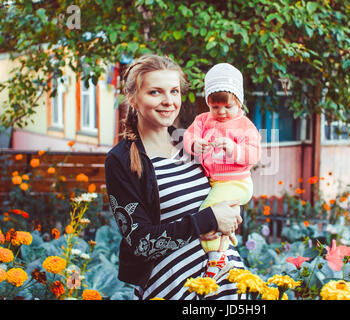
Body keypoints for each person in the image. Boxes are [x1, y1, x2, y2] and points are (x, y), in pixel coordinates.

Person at [104, 55, 245, 300]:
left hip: (227, 283)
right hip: (172, 287)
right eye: (155, 92)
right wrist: (209, 219)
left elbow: (225, 185)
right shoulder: (122, 160)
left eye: (174, 91)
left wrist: (230, 212)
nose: (168, 101)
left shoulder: (191, 143)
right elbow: (141, 243)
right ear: (133, 98)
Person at [183, 63, 261, 280]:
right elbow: (188, 136)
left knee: (209, 212)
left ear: (239, 101)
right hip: (214, 182)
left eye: (228, 107)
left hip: (236, 183)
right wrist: (194, 145)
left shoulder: (244, 126)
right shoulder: (203, 120)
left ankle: (216, 258)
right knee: (216, 215)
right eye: (215, 107)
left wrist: (234, 148)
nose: (221, 112)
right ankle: (224, 239)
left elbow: (254, 155)